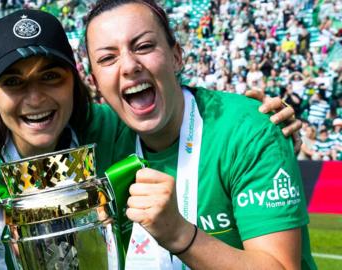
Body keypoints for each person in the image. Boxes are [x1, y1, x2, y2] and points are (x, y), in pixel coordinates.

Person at [0, 7, 302, 270]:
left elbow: (185, 108)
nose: (34, 98)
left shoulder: (107, 129)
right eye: (13, 82)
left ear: (80, 84)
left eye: (51, 77)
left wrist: (252, 120)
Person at [85, 0, 315, 269]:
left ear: (176, 56)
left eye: (144, 46)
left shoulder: (247, 130)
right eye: (107, 58)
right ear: (94, 81)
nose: (129, 66)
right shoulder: (100, 132)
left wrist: (180, 235)